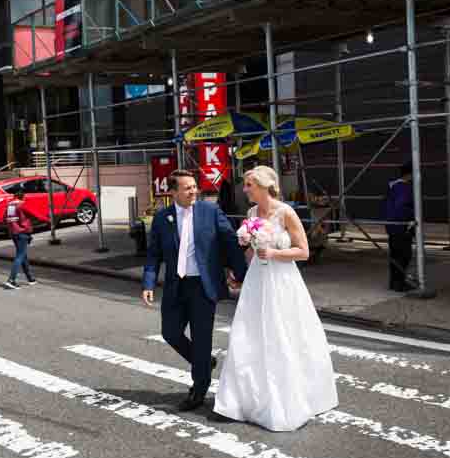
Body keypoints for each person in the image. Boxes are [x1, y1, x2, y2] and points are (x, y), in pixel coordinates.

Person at [213, 166, 339, 431]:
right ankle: (243, 398)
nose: (245, 189)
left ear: (263, 185)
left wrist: (273, 254)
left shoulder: (286, 212)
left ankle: (292, 397)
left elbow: (303, 251)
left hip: (283, 280)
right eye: (245, 185)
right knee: (251, 333)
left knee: (284, 333)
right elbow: (251, 251)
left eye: (249, 185)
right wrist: (240, 272)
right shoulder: (250, 214)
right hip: (257, 280)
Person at [142, 169, 246, 412]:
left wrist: (241, 274)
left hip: (203, 286)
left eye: (194, 187)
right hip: (175, 286)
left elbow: (230, 242)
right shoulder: (162, 218)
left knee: (201, 340)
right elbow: (153, 254)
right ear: (173, 192)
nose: (193, 191)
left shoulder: (209, 212)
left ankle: (198, 389)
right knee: (170, 332)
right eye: (187, 188)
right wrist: (148, 283)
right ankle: (203, 362)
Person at [383, 163, 415, 293]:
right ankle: (400, 283)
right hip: (401, 225)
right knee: (404, 255)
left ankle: (394, 282)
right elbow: (402, 206)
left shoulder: (393, 187)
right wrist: (411, 219)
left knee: (395, 254)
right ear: (410, 174)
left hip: (392, 225)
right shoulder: (404, 188)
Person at [3, 190, 38, 290]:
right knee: (20, 256)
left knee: (23, 255)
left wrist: (13, 225)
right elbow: (35, 214)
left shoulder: (10, 206)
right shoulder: (22, 205)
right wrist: (49, 220)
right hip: (22, 233)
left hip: (13, 233)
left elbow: (4, 219)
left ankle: (30, 278)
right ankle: (11, 280)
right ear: (22, 197)